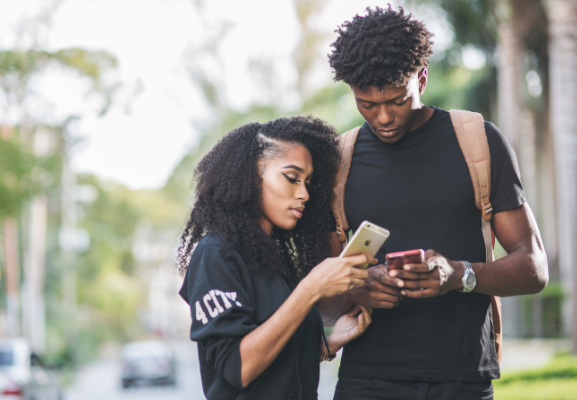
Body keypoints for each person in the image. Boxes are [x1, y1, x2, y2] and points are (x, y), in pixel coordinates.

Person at [321, 6, 549, 400]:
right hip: (367, 381)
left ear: (421, 79)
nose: (383, 117)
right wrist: (360, 287)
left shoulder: (478, 141)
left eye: (396, 100)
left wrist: (460, 274)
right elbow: (319, 288)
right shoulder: (339, 161)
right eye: (367, 104)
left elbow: (535, 267)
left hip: (462, 381)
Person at [177, 116, 375, 400]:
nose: (304, 193)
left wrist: (328, 344)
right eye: (292, 178)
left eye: (307, 182)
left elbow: (277, 367)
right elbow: (239, 367)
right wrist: (310, 289)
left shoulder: (272, 258)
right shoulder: (215, 254)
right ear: (249, 175)